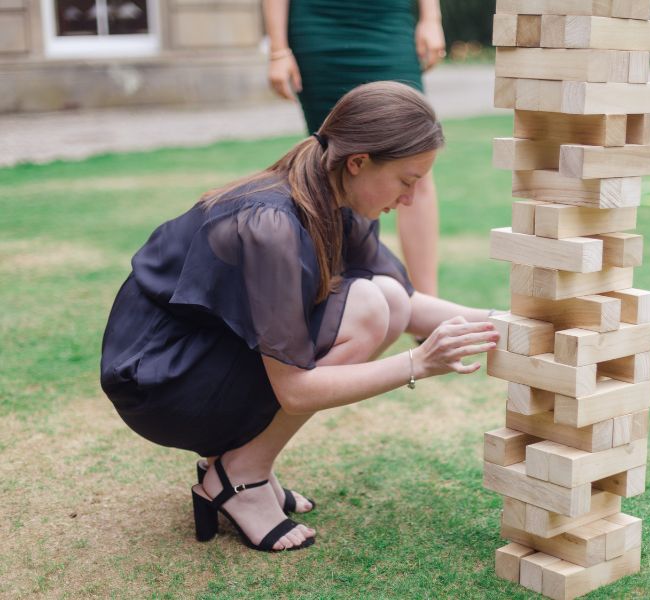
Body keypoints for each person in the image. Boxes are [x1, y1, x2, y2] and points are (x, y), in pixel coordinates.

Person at [99, 82, 499, 552]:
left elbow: (406, 304)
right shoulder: (271, 224)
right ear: (358, 162)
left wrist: (506, 322)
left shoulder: (335, 195)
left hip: (209, 356)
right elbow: (294, 389)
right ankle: (239, 478)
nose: (411, 199)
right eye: (407, 181)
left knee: (386, 297)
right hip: (163, 382)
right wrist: (418, 364)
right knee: (370, 307)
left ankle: (235, 465)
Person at [262, 0, 446, 298]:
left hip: (388, 18)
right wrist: (278, 49)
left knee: (414, 160)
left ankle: (427, 309)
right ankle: (343, 299)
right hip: (319, 21)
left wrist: (431, 17)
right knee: (333, 167)